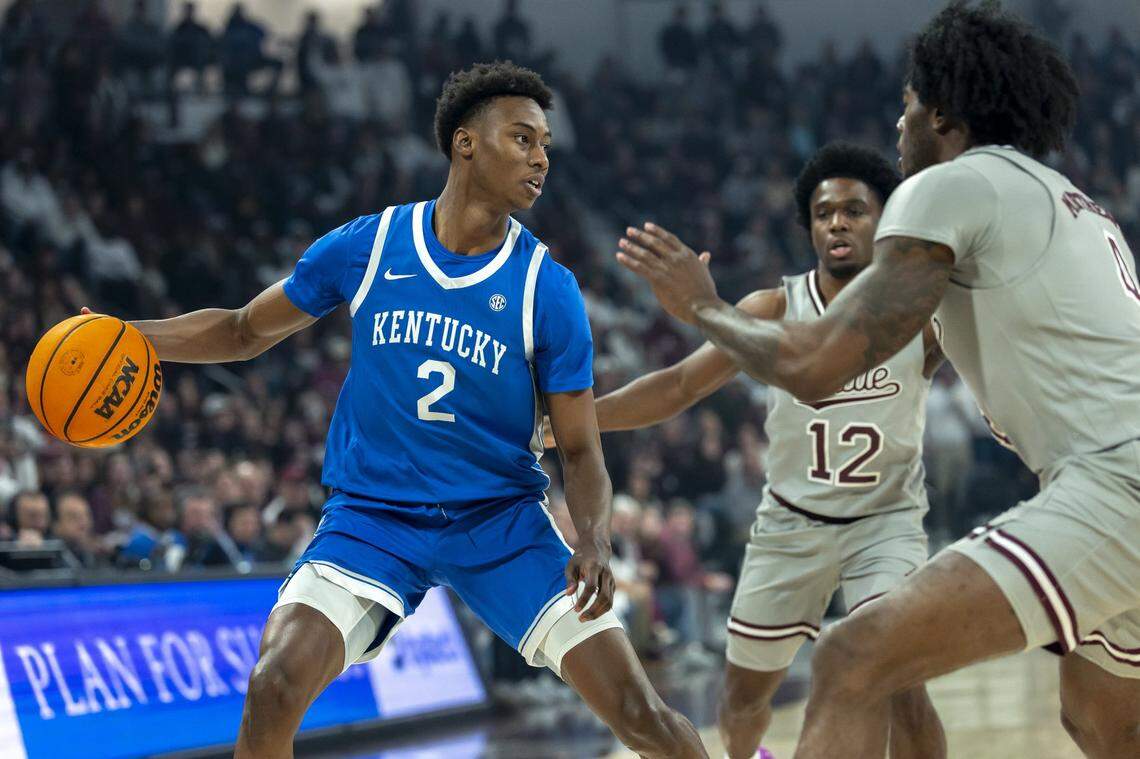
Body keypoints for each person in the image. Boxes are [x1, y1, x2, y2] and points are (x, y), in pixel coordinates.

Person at [93, 62, 705, 758]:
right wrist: (131, 335)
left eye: (545, 146)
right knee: (273, 682)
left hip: (499, 520)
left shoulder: (546, 287)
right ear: (465, 144)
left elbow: (581, 449)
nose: (540, 159)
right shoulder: (370, 244)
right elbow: (242, 329)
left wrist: (592, 537)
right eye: (523, 138)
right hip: (373, 517)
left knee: (641, 714)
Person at [615, 5, 1140, 758]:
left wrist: (701, 305)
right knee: (1103, 720)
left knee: (852, 655)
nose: (898, 127)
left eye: (906, 105)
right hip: (1109, 478)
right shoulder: (1074, 202)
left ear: (944, 112)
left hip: (1112, 481)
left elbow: (815, 363)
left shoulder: (951, 185)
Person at [559, 143, 946, 759]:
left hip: (884, 523)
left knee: (900, 679)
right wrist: (577, 419)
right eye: (824, 214)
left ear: (884, 221)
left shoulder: (921, 311)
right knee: (742, 699)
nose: (838, 223)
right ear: (809, 227)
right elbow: (680, 385)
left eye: (854, 210)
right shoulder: (772, 307)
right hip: (791, 521)